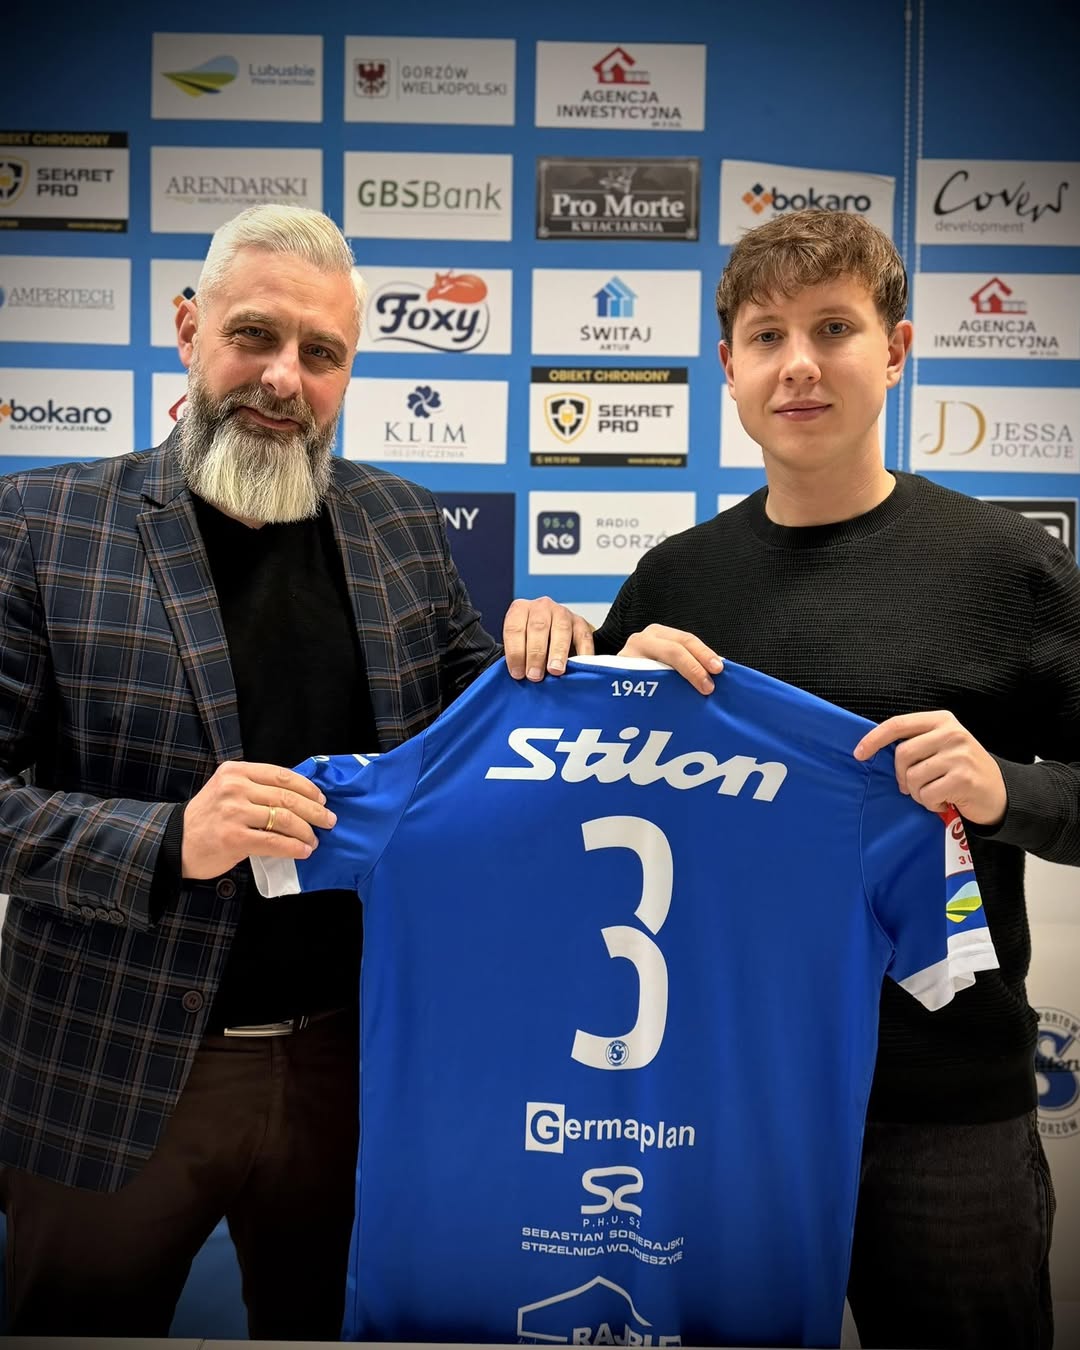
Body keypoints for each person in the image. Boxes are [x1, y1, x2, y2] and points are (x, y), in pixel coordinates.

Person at [502, 209, 1080, 1350]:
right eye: (768, 336)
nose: (799, 364)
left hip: (944, 1111)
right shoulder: (674, 582)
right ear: (729, 366)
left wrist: (1007, 792)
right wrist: (576, 673)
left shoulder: (1011, 567)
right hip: (721, 1102)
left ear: (896, 350)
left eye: (834, 328)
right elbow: (574, 820)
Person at [0, 204, 500, 1336]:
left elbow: (502, 742)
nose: (284, 378)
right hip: (109, 1072)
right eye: (255, 336)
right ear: (189, 328)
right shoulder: (42, 524)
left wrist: (605, 664)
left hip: (353, 1068)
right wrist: (171, 838)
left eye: (322, 353)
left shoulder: (404, 525)